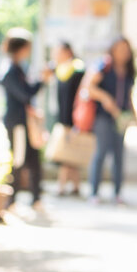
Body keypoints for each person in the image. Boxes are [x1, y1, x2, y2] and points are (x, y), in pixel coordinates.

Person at [0, 27, 51, 211]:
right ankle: (11, 200)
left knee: (31, 158)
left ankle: (34, 198)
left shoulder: (16, 68)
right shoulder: (10, 70)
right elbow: (25, 94)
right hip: (18, 123)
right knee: (19, 159)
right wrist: (41, 81)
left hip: (23, 122)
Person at [87, 37, 136, 204]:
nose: (123, 52)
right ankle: (93, 192)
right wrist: (105, 98)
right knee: (101, 153)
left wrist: (134, 116)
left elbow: (129, 95)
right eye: (120, 48)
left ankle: (117, 192)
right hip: (103, 117)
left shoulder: (128, 71)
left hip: (120, 118)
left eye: (126, 49)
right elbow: (89, 87)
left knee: (119, 155)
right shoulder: (104, 66)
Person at [52, 41, 85, 196]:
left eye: (57, 52)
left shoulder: (77, 69)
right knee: (69, 154)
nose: (55, 56)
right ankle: (76, 186)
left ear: (67, 52)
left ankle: (62, 186)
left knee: (65, 154)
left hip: (72, 119)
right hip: (64, 118)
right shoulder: (61, 69)